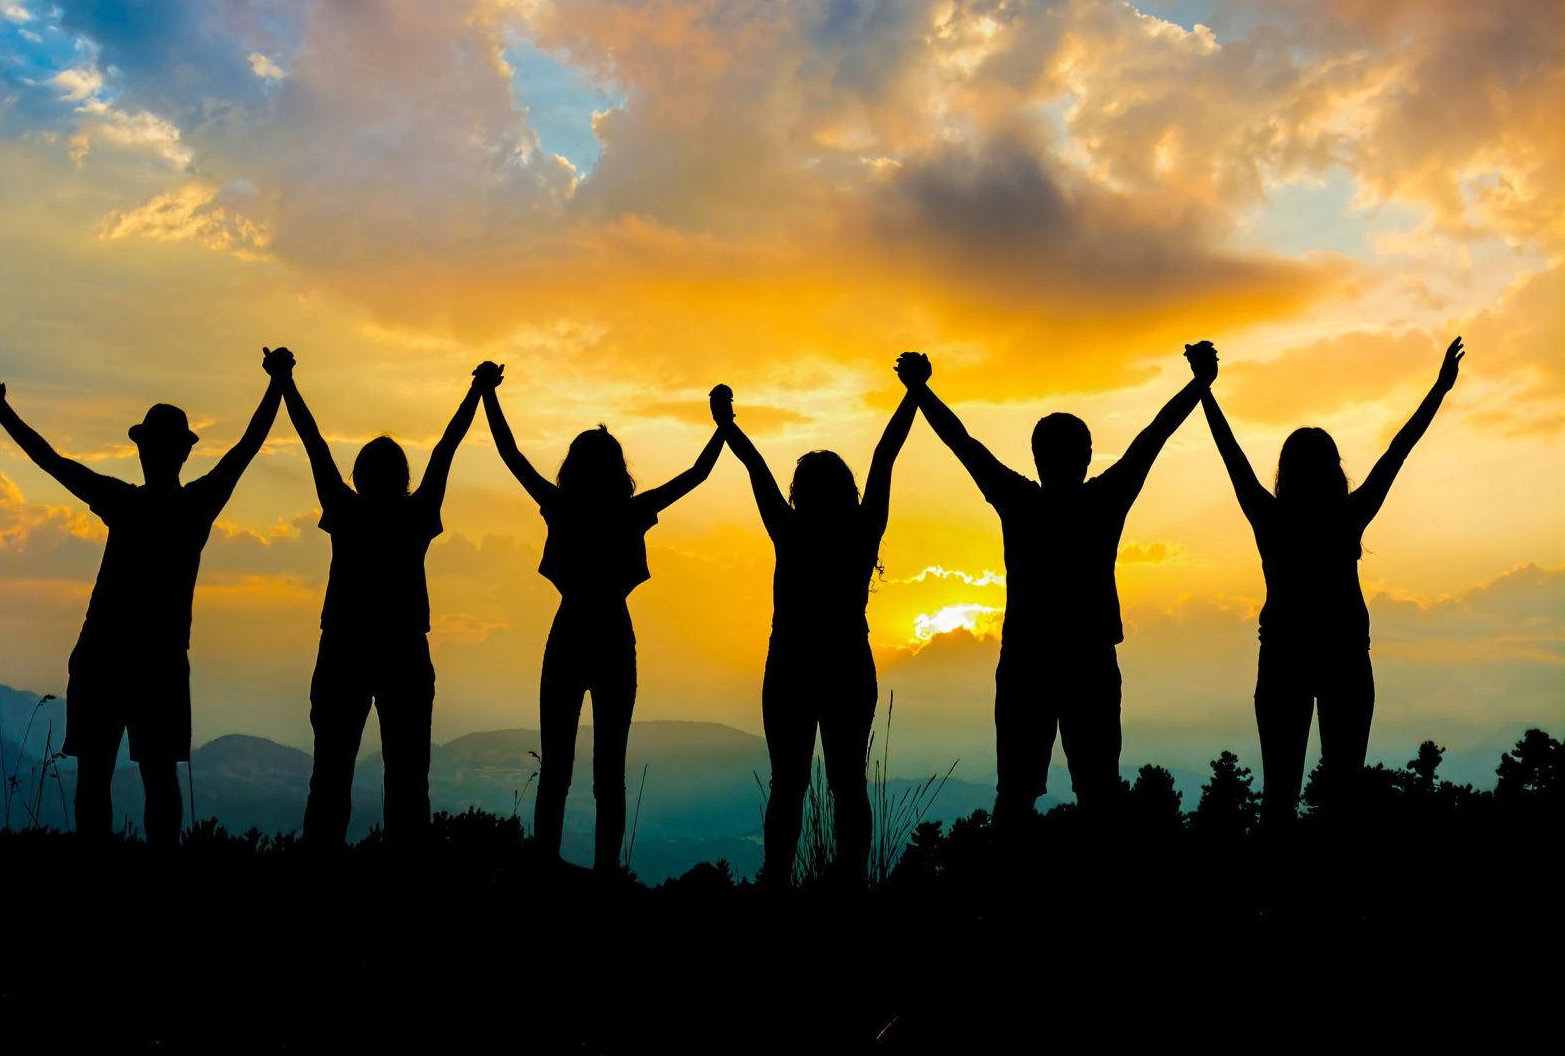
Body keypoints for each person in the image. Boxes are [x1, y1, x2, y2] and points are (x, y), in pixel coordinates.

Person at [0, 351, 288, 847]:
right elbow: (248, 446)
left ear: (144, 451)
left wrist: (1, 411)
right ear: (183, 453)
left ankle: (101, 881)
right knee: (158, 779)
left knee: (98, 779)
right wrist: (278, 384)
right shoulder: (194, 505)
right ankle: (159, 887)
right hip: (158, 662)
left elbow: (51, 461)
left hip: (104, 655)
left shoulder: (125, 501)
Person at [903, 343, 1216, 822]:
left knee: (1017, 794)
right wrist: (1198, 384)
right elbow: (1153, 437)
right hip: (1088, 659)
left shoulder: (1020, 500)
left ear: (1036, 457)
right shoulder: (1103, 501)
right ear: (1087, 455)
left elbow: (963, 443)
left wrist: (922, 392)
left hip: (1027, 660)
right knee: (1098, 793)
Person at [1201, 337, 1464, 820]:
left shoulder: (1272, 518)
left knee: (1280, 797)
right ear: (1333, 470)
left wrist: (1204, 389)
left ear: (1286, 472)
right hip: (1342, 659)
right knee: (1342, 797)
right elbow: (1398, 450)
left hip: (1285, 660)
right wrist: (1440, 389)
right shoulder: (1347, 516)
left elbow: (1230, 453)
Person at [481, 366, 724, 872]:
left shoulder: (561, 504)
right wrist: (722, 424)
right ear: (618, 471)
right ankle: (606, 874)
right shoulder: (630, 512)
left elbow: (511, 456)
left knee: (558, 769)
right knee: (607, 772)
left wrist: (487, 395)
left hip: (569, 635)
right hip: (614, 637)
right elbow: (697, 476)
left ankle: (546, 864)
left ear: (573, 467)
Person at [713, 364, 923, 886]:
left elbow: (754, 465)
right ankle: (853, 884)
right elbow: (885, 456)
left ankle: (777, 882)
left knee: (789, 786)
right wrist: (914, 393)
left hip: (789, 670)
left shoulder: (789, 529)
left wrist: (725, 422)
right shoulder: (860, 530)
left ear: (799, 493)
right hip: (849, 668)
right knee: (848, 785)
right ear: (847, 492)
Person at [279, 351, 490, 850]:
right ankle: (405, 881)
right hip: (404, 653)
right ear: (404, 479)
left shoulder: (346, 511)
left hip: (344, 651)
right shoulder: (416, 515)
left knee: (329, 777)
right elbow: (446, 449)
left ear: (358, 476)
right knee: (409, 782)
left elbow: (313, 444)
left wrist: (286, 382)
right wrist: (478, 393)